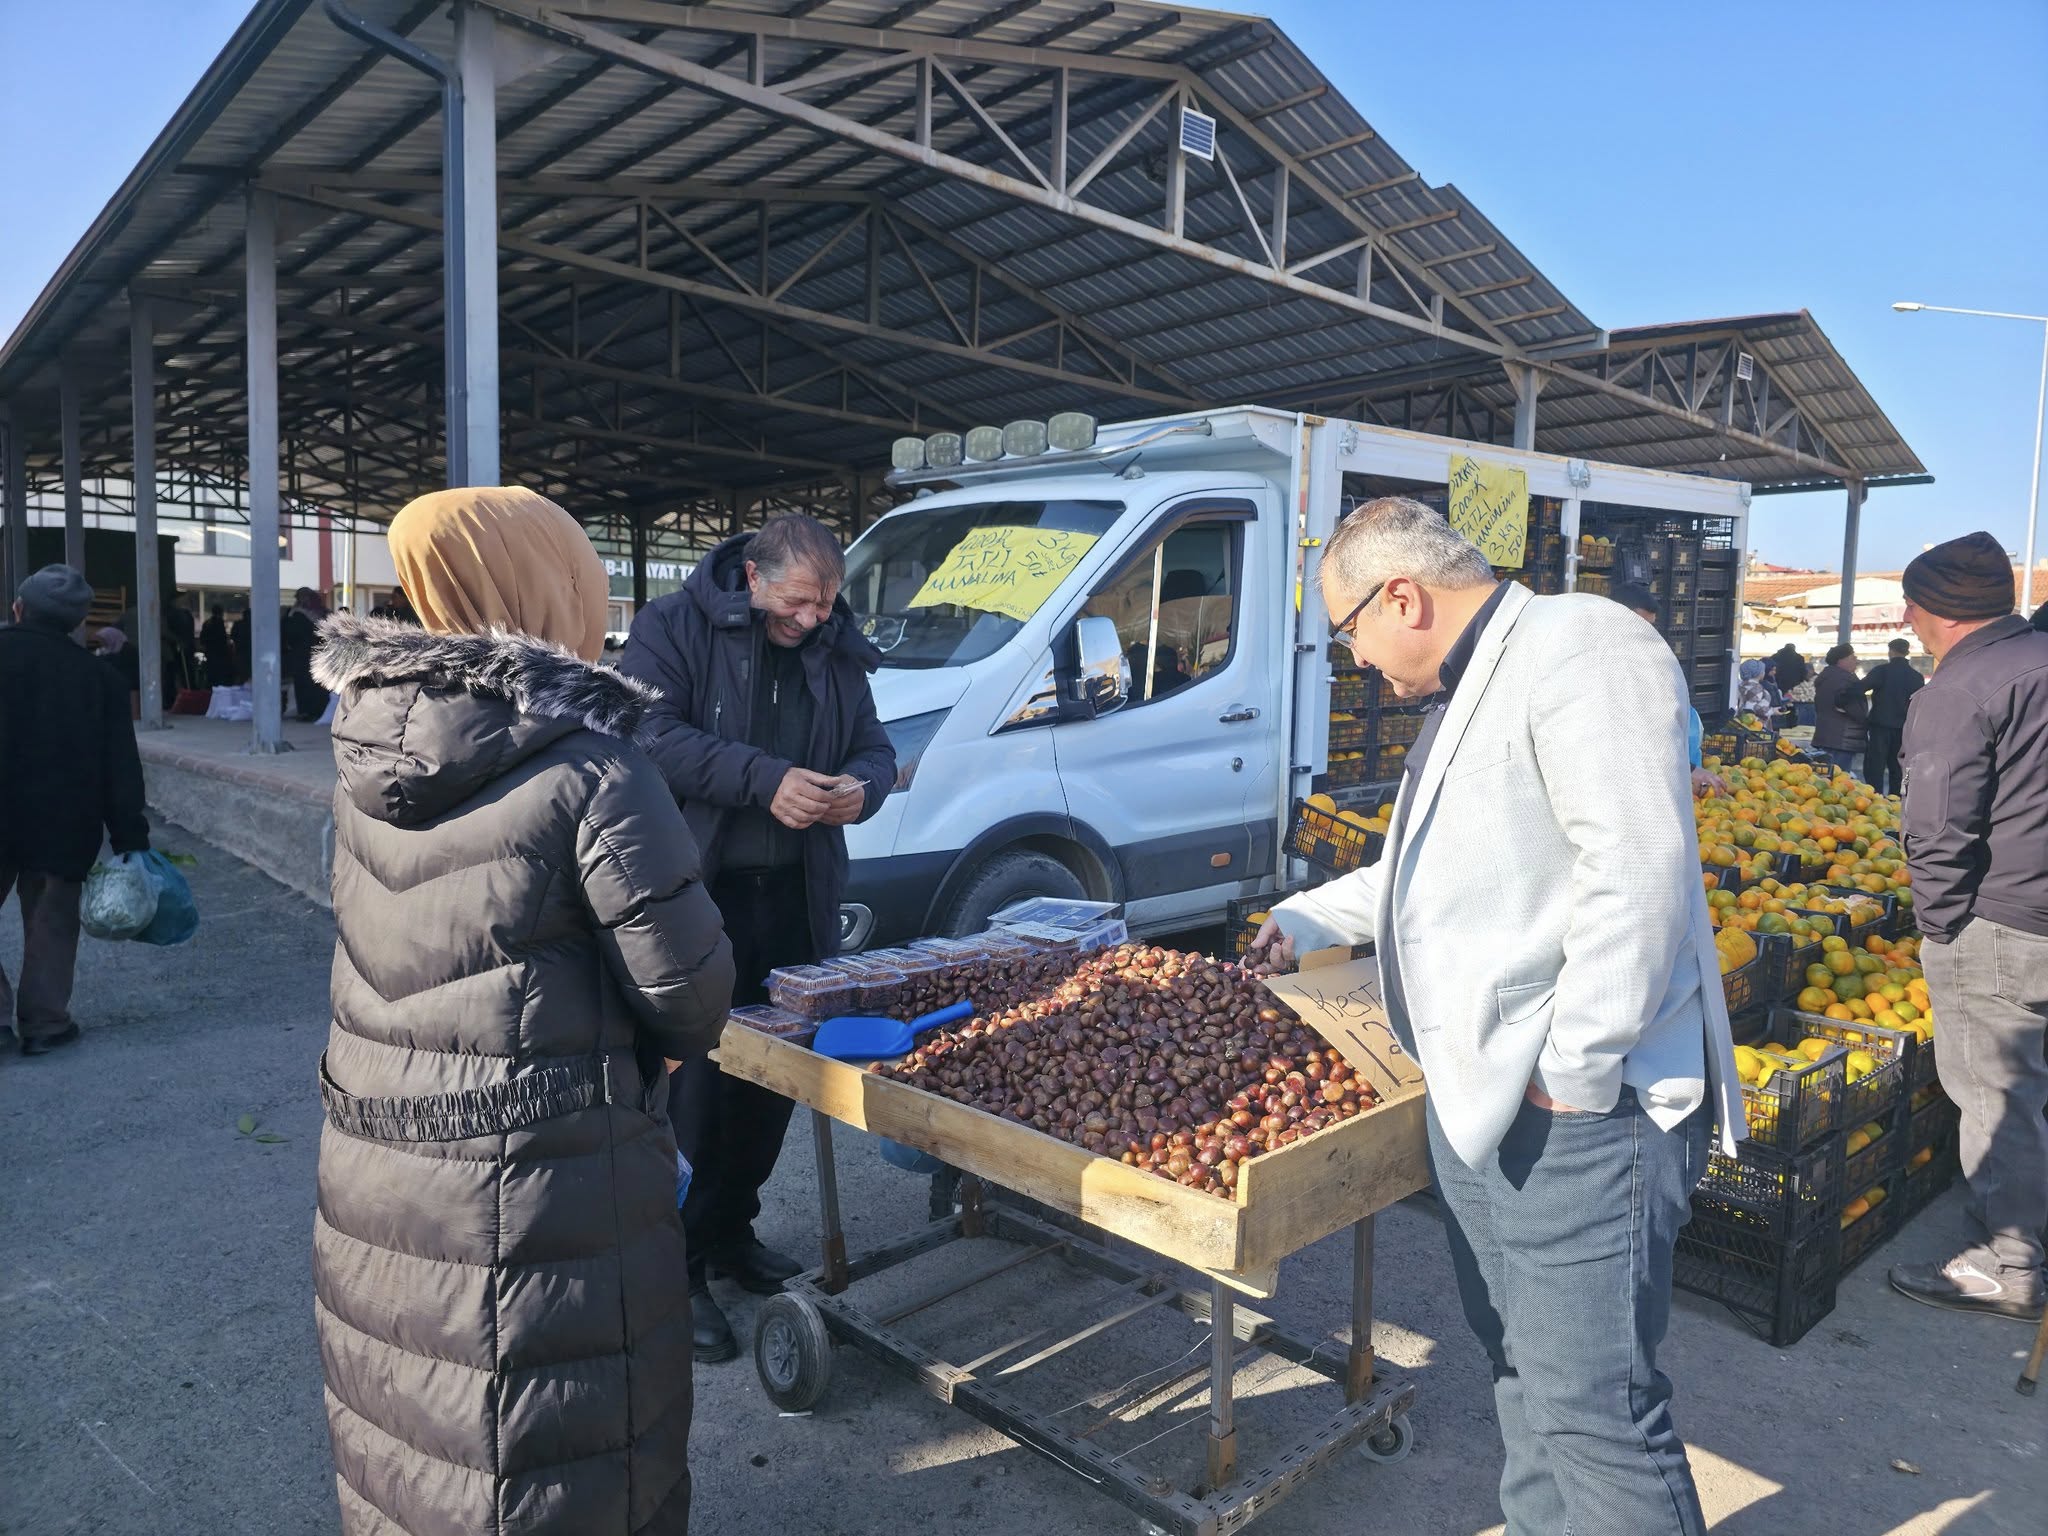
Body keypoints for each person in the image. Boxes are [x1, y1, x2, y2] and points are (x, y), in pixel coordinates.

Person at [1253, 498, 1739, 1536]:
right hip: (1486, 1103)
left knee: (1593, 1409)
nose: (1353, 662)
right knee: (1520, 1370)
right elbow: (1425, 874)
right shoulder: (1469, 685)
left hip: (1577, 1116)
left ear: (1402, 597)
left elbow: (1637, 870)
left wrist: (1574, 1069)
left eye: (1348, 633)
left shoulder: (1582, 647)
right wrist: (1304, 917)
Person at [309, 487, 735, 1535]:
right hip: (541, 1176)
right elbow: (688, 992)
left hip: (373, 1153)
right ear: (555, 590)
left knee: (409, 1430)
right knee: (554, 1452)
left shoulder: (368, 745)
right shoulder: (593, 767)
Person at [621, 514, 897, 1364]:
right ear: (752, 576)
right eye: (800, 601)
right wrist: (763, 779)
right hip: (698, 900)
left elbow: (875, 748)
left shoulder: (833, 646)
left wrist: (862, 790)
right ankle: (676, 1270)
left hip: (797, 899)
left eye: (826, 603)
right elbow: (648, 736)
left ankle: (732, 1232)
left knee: (772, 1083)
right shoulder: (671, 628)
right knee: (696, 1093)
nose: (813, 618)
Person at [1886, 530, 2048, 1323]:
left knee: (1995, 1093)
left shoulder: (1960, 688)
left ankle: (2008, 1264)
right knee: (2030, 1089)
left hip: (2001, 921)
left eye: (1912, 602)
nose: (1905, 617)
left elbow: (1937, 825)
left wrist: (1945, 926)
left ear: (1944, 610)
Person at [0, 565, 151, 1055]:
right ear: (76, 622)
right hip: (62, 823)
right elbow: (120, 766)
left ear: (18, 608)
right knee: (51, 920)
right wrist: (130, 837)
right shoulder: (99, 678)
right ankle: (45, 1023)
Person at [1611, 582, 1722, 797]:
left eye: (1651, 627)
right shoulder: (1601, 666)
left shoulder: (1643, 665)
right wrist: (1686, 769)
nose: (1647, 635)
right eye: (1640, 626)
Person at [1860, 637, 1923, 797]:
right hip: (1903, 727)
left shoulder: (1881, 671)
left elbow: (1860, 688)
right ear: (1907, 652)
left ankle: (1874, 797)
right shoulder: (1916, 676)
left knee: (1875, 765)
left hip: (1880, 725)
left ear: (1891, 651)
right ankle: (1895, 799)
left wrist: (1842, 699)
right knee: (1897, 766)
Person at [1810, 643, 1869, 777]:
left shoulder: (1828, 677)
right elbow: (1853, 708)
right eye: (1852, 657)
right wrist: (1865, 718)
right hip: (1842, 737)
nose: (1856, 661)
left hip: (1828, 735)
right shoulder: (1844, 680)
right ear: (1841, 660)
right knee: (1838, 778)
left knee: (1827, 775)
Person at [282, 586, 331, 722]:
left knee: (305, 684)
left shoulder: (296, 614)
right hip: (320, 655)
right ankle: (318, 711)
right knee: (317, 685)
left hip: (303, 656)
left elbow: (290, 634)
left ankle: (307, 712)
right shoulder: (323, 613)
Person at [200, 602, 237, 686]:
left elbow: (202, 639)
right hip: (219, 653)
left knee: (211, 672)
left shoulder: (207, 623)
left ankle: (210, 686)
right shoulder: (219, 622)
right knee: (219, 673)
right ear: (221, 612)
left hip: (210, 651)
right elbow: (222, 639)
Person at [229, 604, 252, 685]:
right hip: (250, 652)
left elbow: (232, 636)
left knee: (241, 673)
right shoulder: (254, 625)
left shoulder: (238, 624)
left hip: (240, 651)